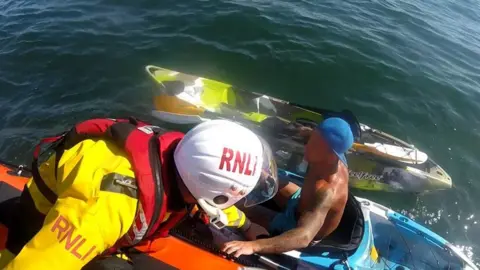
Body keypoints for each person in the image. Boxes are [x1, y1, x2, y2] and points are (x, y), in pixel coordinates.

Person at [0, 117, 279, 269]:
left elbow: (207, 200)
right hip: (45, 219)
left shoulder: (184, 157)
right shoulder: (107, 207)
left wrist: (245, 224)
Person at [222, 117, 354, 256]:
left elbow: (303, 237)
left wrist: (253, 246)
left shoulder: (326, 192)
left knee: (238, 207)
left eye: (314, 144)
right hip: (300, 200)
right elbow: (319, 136)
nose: (307, 146)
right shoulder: (330, 154)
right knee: (264, 173)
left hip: (297, 225)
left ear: (332, 156)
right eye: (312, 139)